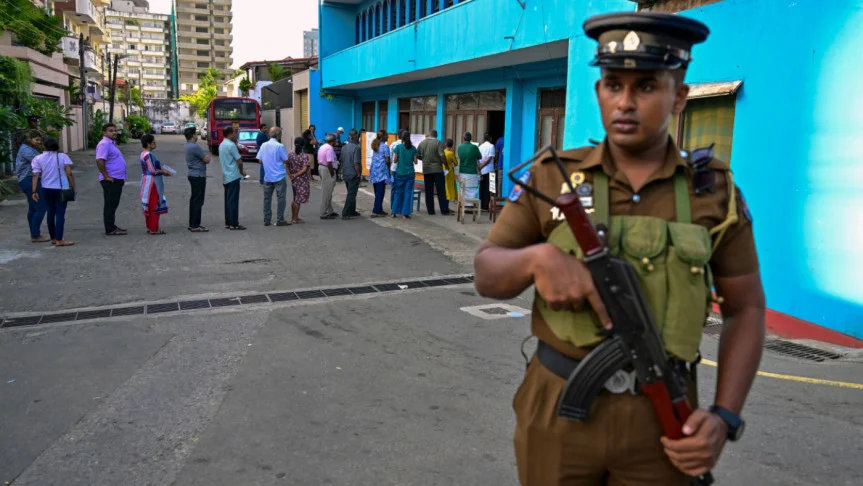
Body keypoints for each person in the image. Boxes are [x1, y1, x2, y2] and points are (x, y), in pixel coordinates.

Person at [473, 11, 765, 485]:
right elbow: (486, 272)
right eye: (613, 85)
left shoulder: (712, 192)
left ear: (679, 97)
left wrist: (725, 417)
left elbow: (746, 309)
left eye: (647, 86)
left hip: (665, 419)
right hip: (558, 411)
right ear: (598, 92)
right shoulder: (554, 176)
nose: (625, 102)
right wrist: (538, 259)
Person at [30, 137, 75, 247]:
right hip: (61, 188)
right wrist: (73, 186)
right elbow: (69, 173)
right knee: (60, 214)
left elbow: (36, 175)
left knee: (50, 213)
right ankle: (60, 239)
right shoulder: (63, 157)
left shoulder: (38, 158)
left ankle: (54, 238)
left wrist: (34, 191)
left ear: (44, 146)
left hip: (46, 188)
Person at [15, 130, 48, 243]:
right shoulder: (26, 150)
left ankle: (34, 233)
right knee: (40, 206)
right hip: (29, 180)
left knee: (33, 207)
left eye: (40, 140)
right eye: (36, 140)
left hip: (28, 180)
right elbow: (41, 161)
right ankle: (35, 234)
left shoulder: (29, 149)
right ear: (29, 139)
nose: (38, 142)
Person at [96, 123, 128, 236]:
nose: (114, 132)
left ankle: (112, 226)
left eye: (114, 130)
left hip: (117, 178)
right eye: (110, 130)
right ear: (104, 132)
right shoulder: (104, 144)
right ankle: (110, 228)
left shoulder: (111, 144)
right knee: (110, 204)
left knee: (113, 203)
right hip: (111, 179)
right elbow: (100, 160)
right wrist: (106, 176)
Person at [257, 126, 291, 226]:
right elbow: (285, 160)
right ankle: (280, 219)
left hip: (268, 176)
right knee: (281, 198)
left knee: (267, 199)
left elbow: (260, 160)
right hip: (279, 176)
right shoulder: (279, 146)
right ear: (278, 135)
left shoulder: (263, 145)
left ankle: (267, 219)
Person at [139, 134, 173, 235]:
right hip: (152, 182)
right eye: (153, 142)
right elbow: (152, 170)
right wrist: (164, 172)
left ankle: (150, 227)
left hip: (146, 180)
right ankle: (154, 228)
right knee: (154, 205)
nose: (155, 144)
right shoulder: (148, 155)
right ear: (148, 144)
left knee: (149, 205)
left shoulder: (143, 154)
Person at [417, 130, 450, 215]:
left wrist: (424, 159)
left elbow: (416, 155)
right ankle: (444, 210)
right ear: (436, 135)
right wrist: (446, 165)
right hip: (437, 170)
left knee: (428, 191)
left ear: (429, 135)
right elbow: (442, 156)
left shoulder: (422, 143)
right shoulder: (438, 143)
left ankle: (431, 211)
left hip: (427, 169)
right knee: (441, 190)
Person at [219, 126, 247, 230]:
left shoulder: (222, 144)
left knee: (228, 200)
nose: (236, 135)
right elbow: (239, 161)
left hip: (226, 175)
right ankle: (234, 223)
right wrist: (241, 171)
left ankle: (228, 222)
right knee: (233, 201)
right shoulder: (231, 145)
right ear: (230, 133)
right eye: (234, 133)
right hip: (234, 175)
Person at [184, 127, 210, 232]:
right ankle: (195, 225)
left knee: (194, 200)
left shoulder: (187, 146)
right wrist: (206, 158)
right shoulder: (195, 147)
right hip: (198, 175)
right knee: (198, 201)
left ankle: (193, 223)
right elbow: (206, 159)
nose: (197, 136)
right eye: (196, 134)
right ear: (193, 135)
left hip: (192, 174)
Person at [390, 131, 418, 220]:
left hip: (399, 173)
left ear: (401, 138)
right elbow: (416, 162)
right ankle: (404, 214)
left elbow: (395, 161)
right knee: (408, 193)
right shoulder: (413, 148)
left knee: (398, 192)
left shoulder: (398, 147)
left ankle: (394, 212)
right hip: (410, 174)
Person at [338, 128, 363, 220]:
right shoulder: (357, 148)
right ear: (355, 137)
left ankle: (352, 210)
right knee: (351, 194)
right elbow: (356, 163)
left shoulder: (344, 147)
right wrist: (358, 174)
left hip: (345, 172)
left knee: (351, 192)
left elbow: (341, 160)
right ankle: (346, 213)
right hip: (353, 173)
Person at [369, 129, 392, 218]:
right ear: (383, 137)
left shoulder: (376, 145)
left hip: (374, 171)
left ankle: (379, 209)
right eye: (386, 135)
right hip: (381, 172)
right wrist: (389, 169)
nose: (388, 137)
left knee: (377, 191)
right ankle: (376, 211)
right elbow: (387, 160)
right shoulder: (385, 147)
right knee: (380, 192)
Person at [288, 136, 311, 225]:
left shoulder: (290, 154)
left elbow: (287, 164)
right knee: (298, 200)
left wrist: (290, 174)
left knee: (295, 198)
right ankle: (295, 218)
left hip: (294, 179)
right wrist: (296, 175)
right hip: (302, 180)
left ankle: (294, 217)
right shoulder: (304, 156)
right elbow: (305, 169)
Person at [317, 133, 339, 220]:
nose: (336, 142)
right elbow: (329, 162)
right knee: (327, 192)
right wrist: (332, 173)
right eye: (335, 141)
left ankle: (330, 210)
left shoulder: (323, 146)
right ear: (332, 141)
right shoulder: (329, 148)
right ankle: (323, 212)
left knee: (327, 191)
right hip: (327, 169)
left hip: (322, 168)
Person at [456, 132, 482, 202]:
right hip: (472, 172)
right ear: (471, 139)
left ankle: (463, 204)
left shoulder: (460, 147)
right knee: (472, 189)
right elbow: (480, 157)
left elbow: (459, 156)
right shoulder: (474, 147)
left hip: (462, 171)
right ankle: (471, 205)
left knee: (463, 188)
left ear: (463, 138)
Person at [478, 132, 496, 210]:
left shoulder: (480, 146)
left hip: (482, 170)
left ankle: (482, 205)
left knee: (482, 187)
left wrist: (480, 167)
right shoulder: (491, 146)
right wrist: (483, 165)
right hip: (490, 170)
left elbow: (478, 158)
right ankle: (486, 206)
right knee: (490, 189)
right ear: (490, 139)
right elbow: (490, 159)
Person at [443, 138, 459, 202]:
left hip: (442, 169)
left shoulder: (442, 152)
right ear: (452, 145)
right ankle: (449, 199)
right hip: (449, 171)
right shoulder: (451, 153)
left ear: (445, 144)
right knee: (449, 186)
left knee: (444, 185)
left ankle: (444, 198)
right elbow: (456, 163)